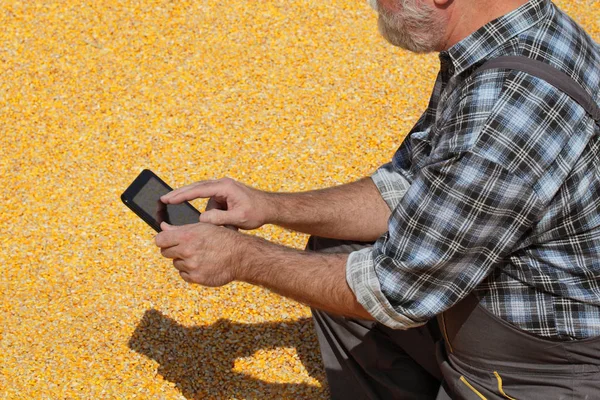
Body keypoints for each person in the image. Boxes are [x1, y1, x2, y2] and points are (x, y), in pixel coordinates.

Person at [154, 0, 600, 398]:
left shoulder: (500, 115)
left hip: (544, 363)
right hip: (495, 295)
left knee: (360, 280)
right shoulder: (517, 33)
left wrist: (241, 258)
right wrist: (270, 207)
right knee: (334, 248)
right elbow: (407, 186)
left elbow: (396, 289)